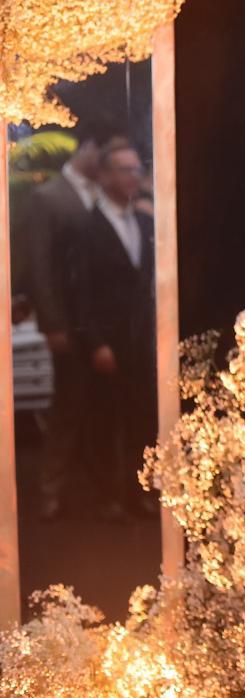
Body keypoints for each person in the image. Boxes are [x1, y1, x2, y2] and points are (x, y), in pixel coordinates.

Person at [21, 120, 125, 518]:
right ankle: (51, 489)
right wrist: (52, 324)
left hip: (101, 325)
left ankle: (97, 490)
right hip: (67, 323)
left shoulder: (102, 194)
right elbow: (39, 265)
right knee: (67, 405)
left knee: (99, 408)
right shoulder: (48, 197)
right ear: (88, 148)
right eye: (105, 153)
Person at [72, 139, 158, 519]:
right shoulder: (87, 227)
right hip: (107, 341)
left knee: (141, 418)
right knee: (105, 419)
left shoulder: (145, 222)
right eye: (125, 170)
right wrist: (95, 342)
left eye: (137, 169)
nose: (133, 176)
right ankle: (108, 497)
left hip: (141, 339)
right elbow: (80, 291)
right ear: (105, 175)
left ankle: (137, 493)